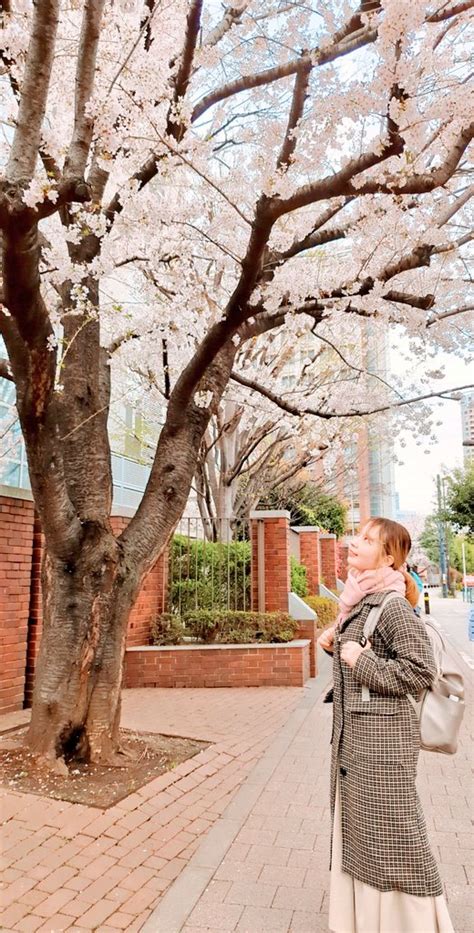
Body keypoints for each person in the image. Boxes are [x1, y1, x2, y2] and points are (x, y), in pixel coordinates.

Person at [318, 517, 454, 933]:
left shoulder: (392, 605)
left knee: (395, 835)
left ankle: (416, 923)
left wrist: (360, 658)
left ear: (390, 556)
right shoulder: (360, 601)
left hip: (383, 748)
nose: (353, 543)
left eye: (367, 539)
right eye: (356, 536)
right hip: (358, 745)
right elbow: (361, 661)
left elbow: (419, 671)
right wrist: (337, 646)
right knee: (366, 835)